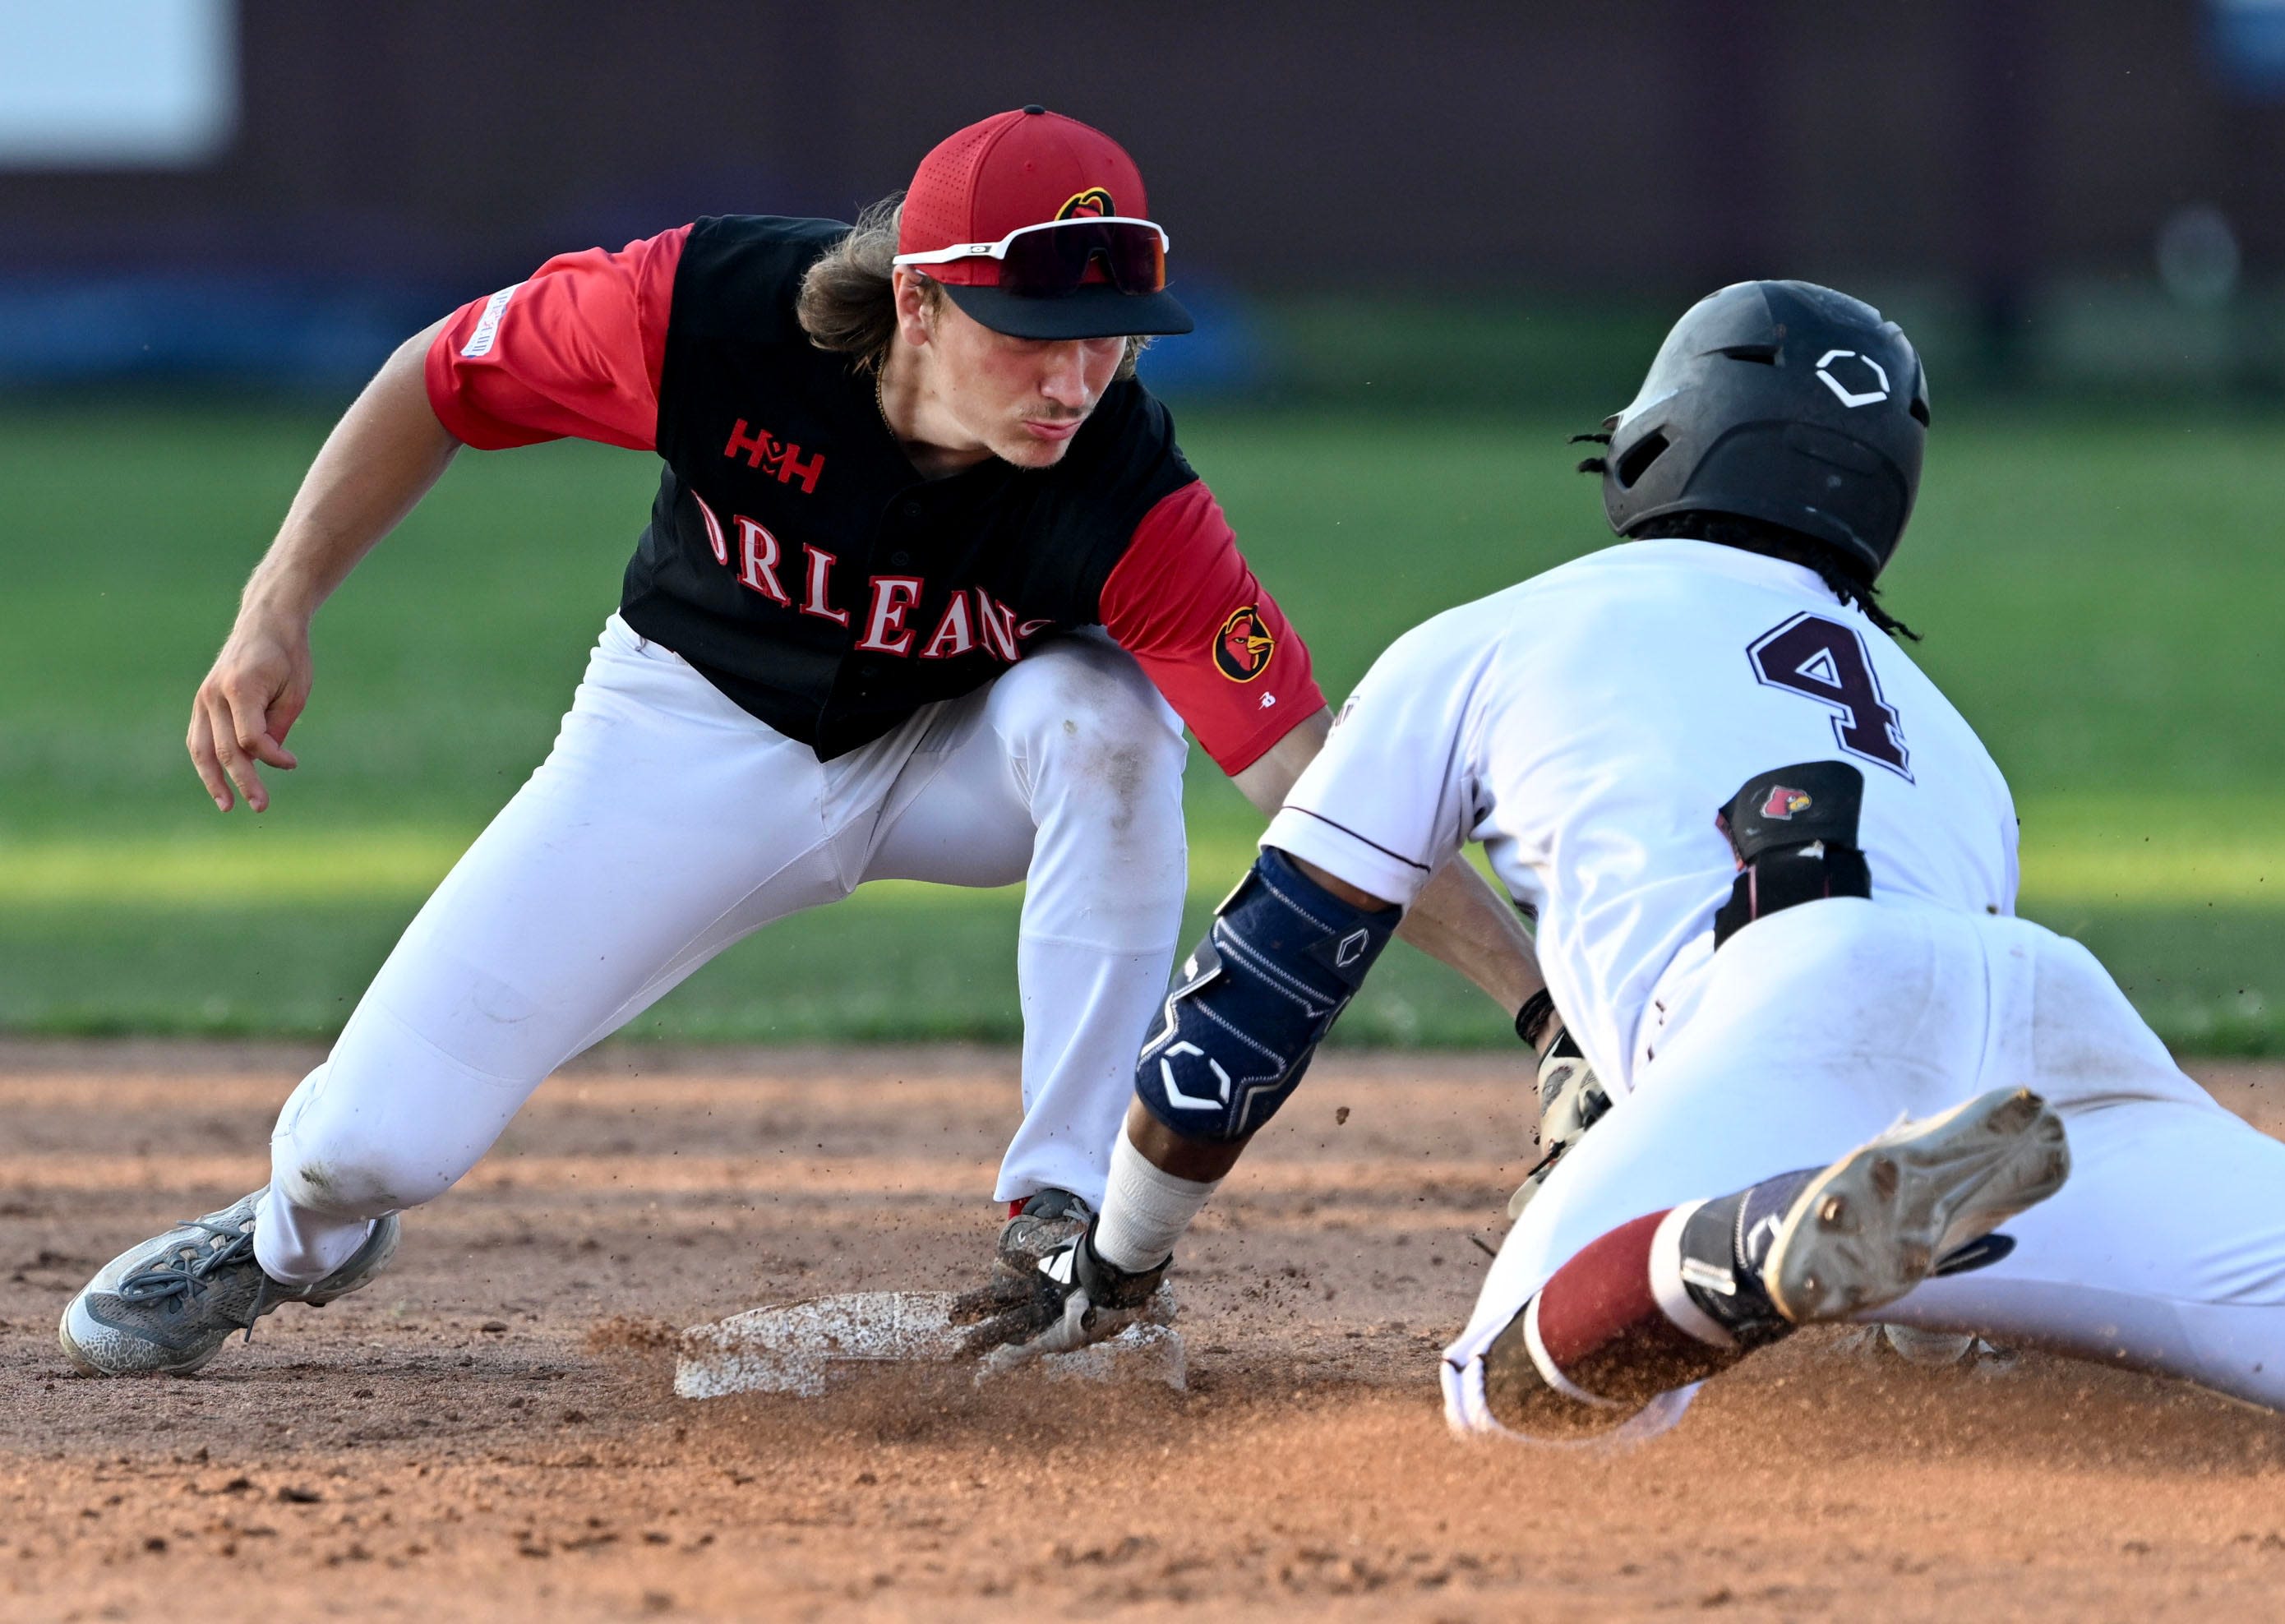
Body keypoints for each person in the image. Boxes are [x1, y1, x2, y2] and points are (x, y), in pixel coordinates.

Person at [61, 107, 1543, 1379]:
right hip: (688, 728)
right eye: (1033, 337)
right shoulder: (700, 313)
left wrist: (1545, 1007)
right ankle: (285, 1242)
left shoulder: (1127, 484)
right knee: (366, 1149)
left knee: (1106, 721)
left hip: (965, 756)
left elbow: (1314, 787)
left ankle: (1064, 1217)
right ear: (916, 302)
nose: (1075, 381)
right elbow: (439, 377)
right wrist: (277, 606)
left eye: (1106, 340)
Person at [967, 279, 2285, 1444]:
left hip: (1778, 1006)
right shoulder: (1954, 746)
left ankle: (1747, 1247)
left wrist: (1118, 1259)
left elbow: (1263, 986)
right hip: (2063, 1012)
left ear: (1667, 432)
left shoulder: (1496, 633)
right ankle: (1843, 1267)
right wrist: (1929, 1344)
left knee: (1511, 1395)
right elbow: (1931, 1083)